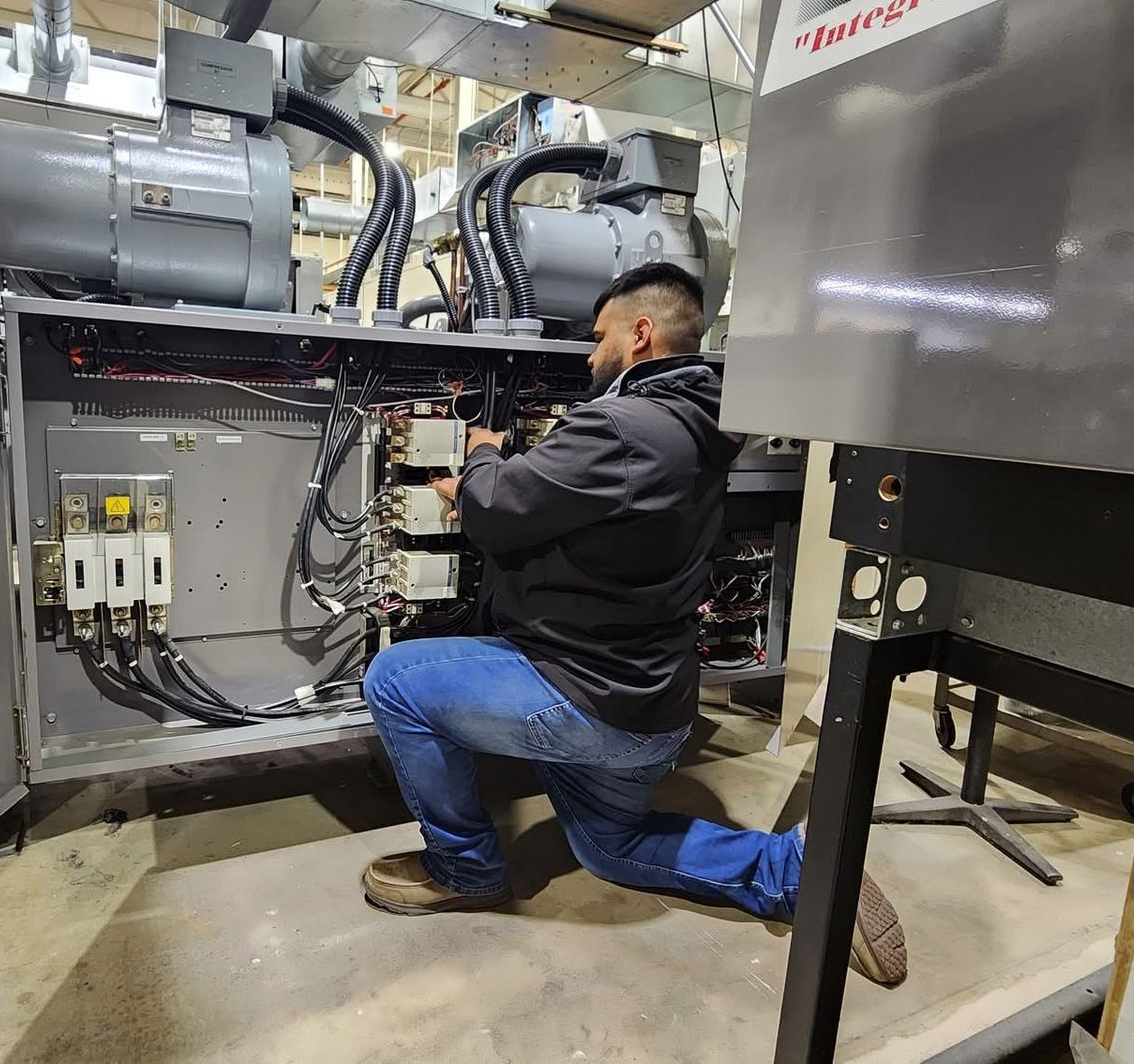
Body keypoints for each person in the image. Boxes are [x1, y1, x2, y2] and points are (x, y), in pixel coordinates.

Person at [359, 262, 908, 985]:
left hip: (587, 704)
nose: (589, 355)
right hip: (655, 708)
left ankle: (463, 865)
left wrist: (483, 453)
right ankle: (797, 870)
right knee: (611, 848)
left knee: (394, 678)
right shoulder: (711, 421)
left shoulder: (620, 425)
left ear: (641, 334)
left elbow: (495, 509)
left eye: (600, 337)